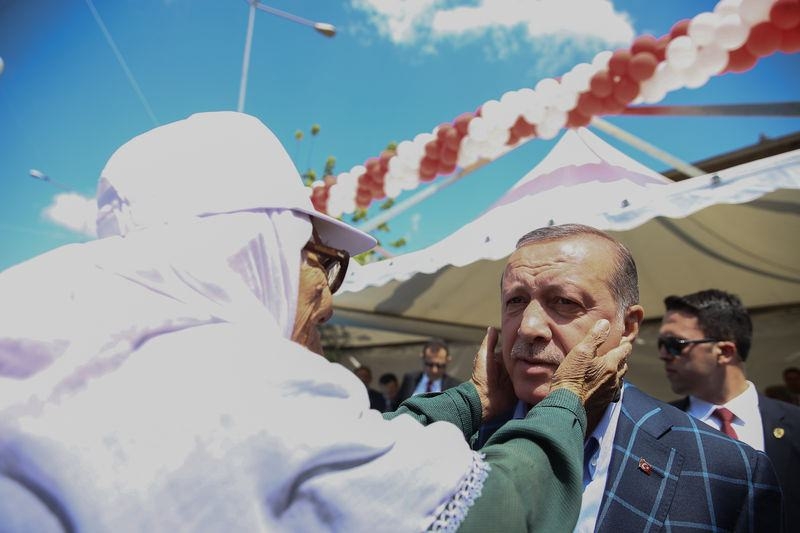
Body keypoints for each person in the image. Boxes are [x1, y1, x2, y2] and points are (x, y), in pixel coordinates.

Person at [0, 112, 629, 532]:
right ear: (250, 251)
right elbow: (503, 514)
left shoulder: (54, 344)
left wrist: (471, 401)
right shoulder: (242, 386)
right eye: (316, 260)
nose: (326, 299)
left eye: (565, 302)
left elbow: (362, 446)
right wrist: (567, 402)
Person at [474, 224, 782, 532]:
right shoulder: (458, 438)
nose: (528, 327)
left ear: (628, 327)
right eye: (516, 301)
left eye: (565, 301)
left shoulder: (728, 470)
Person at [660, 289, 800, 531]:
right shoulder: (657, 428)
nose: (663, 354)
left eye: (674, 345)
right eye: (661, 344)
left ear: (724, 352)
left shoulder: (795, 425)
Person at [396, 339, 461, 404]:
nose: (434, 370)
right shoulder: (410, 379)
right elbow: (397, 405)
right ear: (422, 358)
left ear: (448, 360)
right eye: (430, 364)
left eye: (440, 365)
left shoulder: (455, 387)